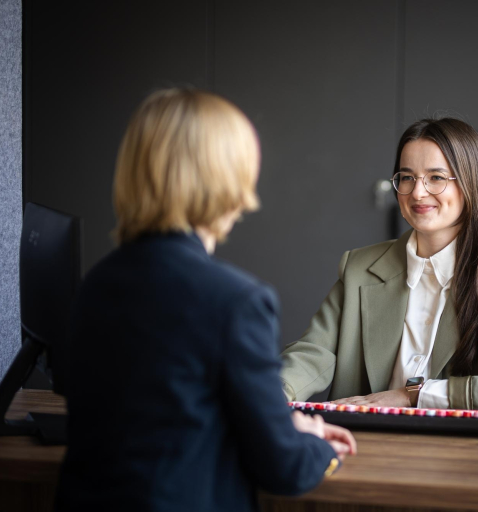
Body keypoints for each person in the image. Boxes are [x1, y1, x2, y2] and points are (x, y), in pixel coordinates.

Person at [55, 88, 356, 512]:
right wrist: (310, 444)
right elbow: (284, 468)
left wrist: (274, 423)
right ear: (229, 181)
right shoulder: (238, 301)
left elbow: (162, 415)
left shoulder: (95, 285)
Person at [279, 118, 478, 417]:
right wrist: (273, 394)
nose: (417, 193)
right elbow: (313, 353)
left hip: (464, 454)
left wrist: (412, 394)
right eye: (407, 177)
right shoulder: (360, 267)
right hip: (363, 445)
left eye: (436, 177)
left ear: (469, 183)